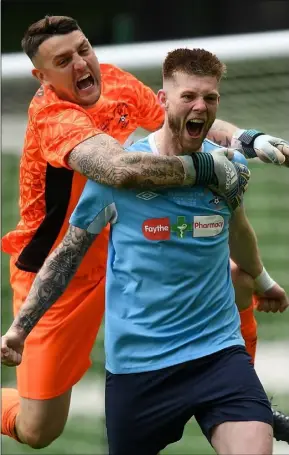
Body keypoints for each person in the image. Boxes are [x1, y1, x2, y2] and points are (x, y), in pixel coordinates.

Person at [1, 14, 289, 449]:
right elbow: (119, 170)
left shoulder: (114, 81)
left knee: (236, 276)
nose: (81, 64)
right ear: (41, 76)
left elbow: (182, 112)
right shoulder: (54, 117)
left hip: (116, 241)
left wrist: (246, 139)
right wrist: (205, 168)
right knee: (39, 430)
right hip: (61, 268)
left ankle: (246, 399)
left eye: (84, 49)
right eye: (63, 60)